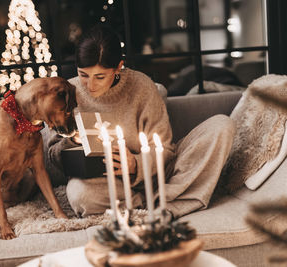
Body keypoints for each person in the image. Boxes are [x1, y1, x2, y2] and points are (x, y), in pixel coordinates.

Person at [42, 24, 235, 219]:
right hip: (106, 183)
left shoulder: (142, 86)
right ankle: (160, 203)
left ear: (118, 67)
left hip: (158, 174)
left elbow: (166, 149)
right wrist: (72, 141)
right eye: (83, 75)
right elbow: (52, 154)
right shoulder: (66, 93)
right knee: (80, 194)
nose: (90, 85)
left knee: (221, 125)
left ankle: (156, 200)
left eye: (100, 77)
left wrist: (136, 164)